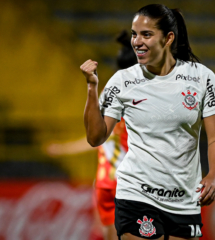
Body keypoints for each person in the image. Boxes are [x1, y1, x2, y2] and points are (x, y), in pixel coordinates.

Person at [80, 4, 215, 240]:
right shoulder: (123, 81)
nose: (137, 41)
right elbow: (95, 137)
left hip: (185, 199)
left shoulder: (201, 78)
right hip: (136, 194)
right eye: (134, 34)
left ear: (168, 38)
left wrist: (213, 175)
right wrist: (91, 88)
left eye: (146, 34)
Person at [46, 30, 137, 240]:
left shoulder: (109, 93)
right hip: (129, 181)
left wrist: (62, 148)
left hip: (106, 180)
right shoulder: (141, 100)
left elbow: (96, 138)